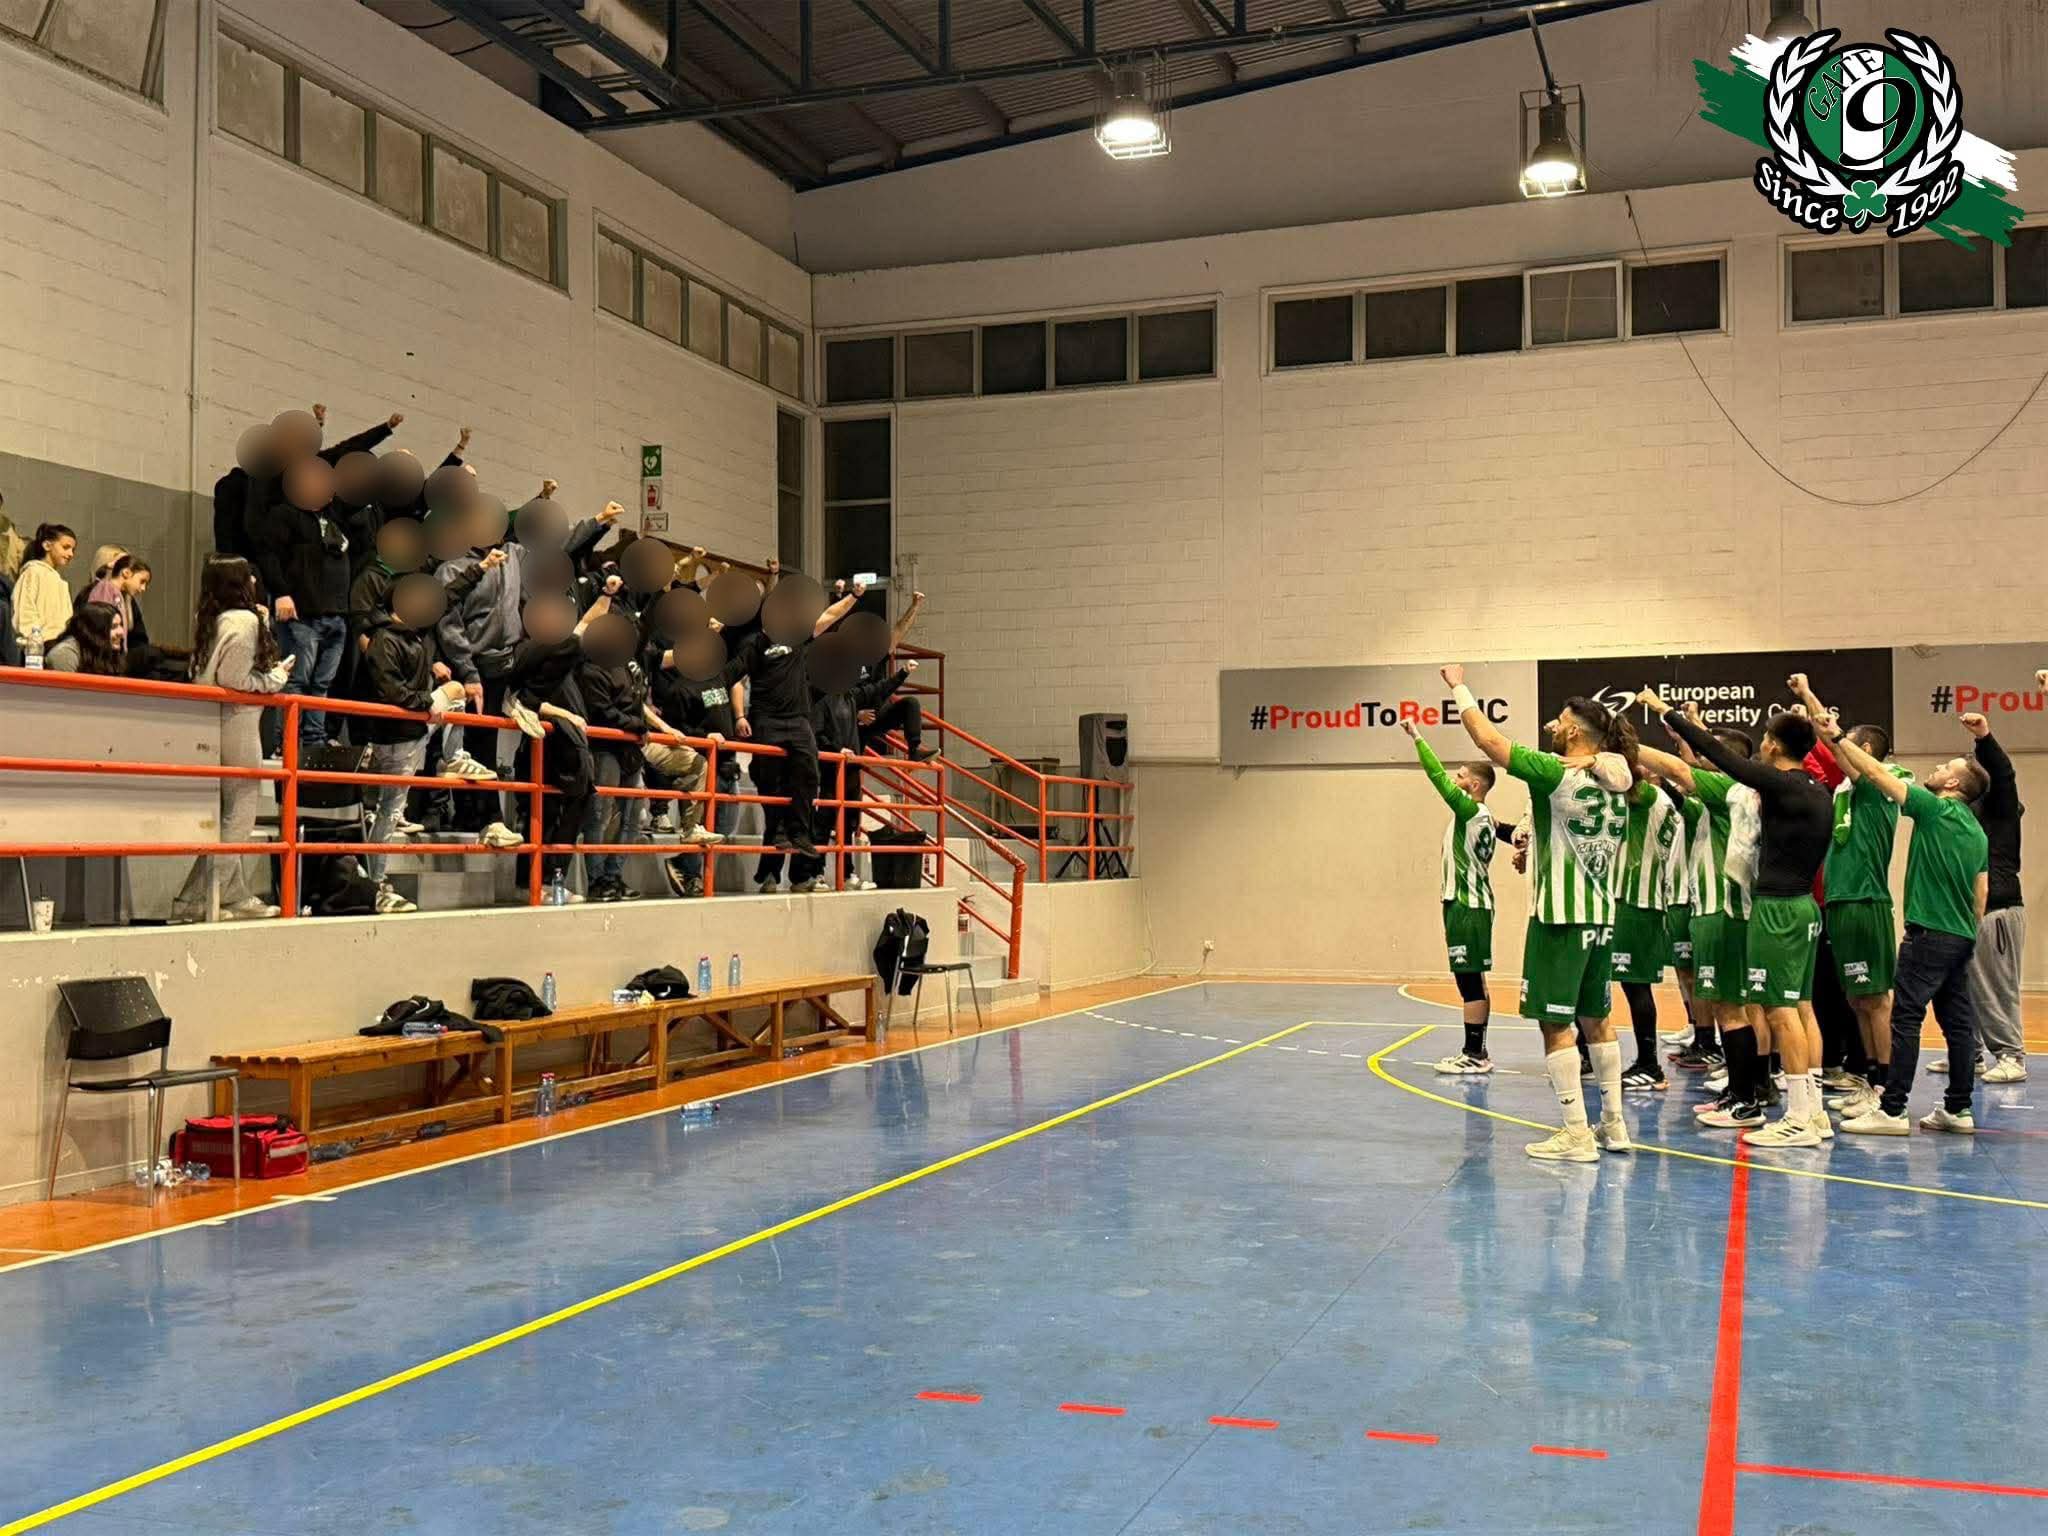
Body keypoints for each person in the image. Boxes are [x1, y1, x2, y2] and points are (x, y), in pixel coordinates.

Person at [1443, 665, 1635, 1163]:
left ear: (1574, 732)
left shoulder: (1554, 771)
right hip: (1602, 915)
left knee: (1555, 1024)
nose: (1553, 725)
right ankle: (1614, 1125)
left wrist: (1458, 686)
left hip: (1559, 917)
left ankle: (1576, 1133)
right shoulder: (1616, 779)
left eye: (1560, 721)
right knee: (1599, 1020)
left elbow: (1487, 739)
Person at [1639, 693, 1832, 1146]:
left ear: (1774, 746)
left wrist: (1667, 713)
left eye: (1766, 738)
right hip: (1804, 906)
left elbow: (1716, 758)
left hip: (1778, 908)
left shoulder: (1779, 786)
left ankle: (1799, 1118)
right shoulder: (1816, 790)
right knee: (1799, 1008)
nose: (1761, 745)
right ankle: (1814, 1112)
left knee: (1780, 1011)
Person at [1826, 719, 1992, 1136]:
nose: (1936, 769)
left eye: (1945, 767)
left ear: (1953, 784)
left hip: (1928, 933)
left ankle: (1893, 1108)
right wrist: (1964, 932)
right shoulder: (1977, 833)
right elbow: (1981, 894)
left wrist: (1838, 737)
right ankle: (1958, 1108)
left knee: (1905, 1018)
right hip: (1961, 937)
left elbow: (1875, 773)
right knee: (1958, 1025)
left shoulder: (1934, 809)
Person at [1787, 675, 1906, 1120]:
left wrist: (1811, 701)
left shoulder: (1878, 784)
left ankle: (1888, 1093)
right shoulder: (1847, 790)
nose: (1835, 747)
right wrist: (1808, 706)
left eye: (1846, 743)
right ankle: (1870, 1080)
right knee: (1858, 1000)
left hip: (1865, 901)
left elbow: (1838, 749)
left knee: (1876, 1000)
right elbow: (1829, 748)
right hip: (1840, 902)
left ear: (1866, 750)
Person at [172, 558, 294, 922]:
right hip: (237, 721)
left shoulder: (214, 618)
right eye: (248, 575)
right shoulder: (243, 621)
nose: (255, 579)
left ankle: (233, 895)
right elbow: (236, 680)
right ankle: (197, 900)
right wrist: (276, 677)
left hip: (213, 721)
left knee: (229, 814)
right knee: (239, 815)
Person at [739, 580, 866, 889]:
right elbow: (731, 680)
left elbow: (828, 618)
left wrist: (851, 597)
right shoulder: (756, 647)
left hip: (798, 747)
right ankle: (770, 876)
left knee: (802, 816)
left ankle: (800, 876)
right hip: (771, 737)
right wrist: (739, 716)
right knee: (777, 818)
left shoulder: (811, 671)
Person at [358, 573, 469, 913]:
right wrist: (428, 702)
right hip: (396, 735)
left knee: (457, 695)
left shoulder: (410, 636)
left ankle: (454, 756)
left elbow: (448, 596)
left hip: (411, 729)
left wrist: (480, 569)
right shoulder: (385, 640)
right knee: (388, 813)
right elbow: (391, 691)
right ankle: (375, 886)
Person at [1396, 718, 1501, 1074]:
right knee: (1474, 980)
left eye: (1461, 776)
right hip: (1471, 904)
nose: (1455, 780)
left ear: (1474, 785)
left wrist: (1417, 737)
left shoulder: (1469, 810)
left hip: (1467, 905)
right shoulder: (1484, 817)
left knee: (1469, 982)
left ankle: (1474, 1054)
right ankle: (1478, 1051)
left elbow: (1436, 776)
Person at [1953, 711, 2026, 1084]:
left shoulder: (2001, 808)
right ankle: (1973, 1053)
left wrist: (1984, 738)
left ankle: (2011, 1054)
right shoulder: (1968, 813)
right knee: (1966, 984)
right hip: (1972, 912)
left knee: (1996, 987)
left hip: (1998, 910)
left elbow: (2004, 773)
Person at [655, 643, 747, 898]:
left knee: (724, 828)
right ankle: (689, 873)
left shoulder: (721, 677)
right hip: (702, 766)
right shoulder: (679, 689)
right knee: (702, 826)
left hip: (727, 764)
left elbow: (745, 659)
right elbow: (675, 731)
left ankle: (684, 866)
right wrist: (705, 736)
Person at [1612, 770, 1680, 1091]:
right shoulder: (1661, 802)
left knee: (1636, 985)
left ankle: (1650, 1065)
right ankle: (1641, 1061)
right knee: (1631, 985)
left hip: (1637, 901)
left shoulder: (1652, 797)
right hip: (1640, 901)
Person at [12, 522, 76, 649]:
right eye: (65, 547)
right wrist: (35, 642)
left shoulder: (60, 581)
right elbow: (25, 612)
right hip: (38, 648)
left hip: (58, 645)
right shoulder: (33, 572)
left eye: (73, 550)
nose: (71, 554)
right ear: (47, 545)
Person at [41, 601, 123, 674]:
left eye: (120, 625)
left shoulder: (105, 652)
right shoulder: (64, 655)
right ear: (94, 630)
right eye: (113, 627)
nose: (121, 632)